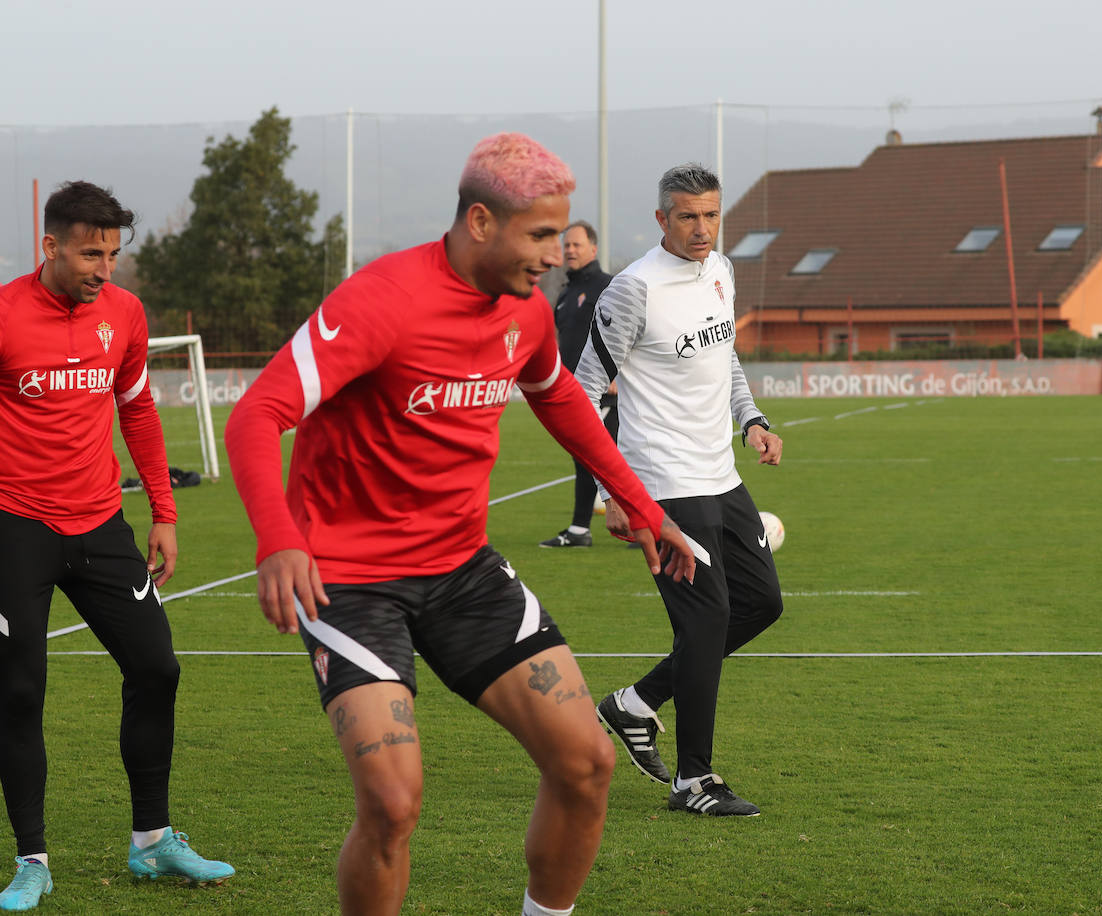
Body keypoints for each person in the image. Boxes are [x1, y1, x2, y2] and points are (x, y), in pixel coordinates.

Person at [224, 133, 695, 916]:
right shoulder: (382, 300)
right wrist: (278, 538)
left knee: (584, 764)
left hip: (461, 569)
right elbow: (256, 415)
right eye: (540, 234)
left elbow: (560, 398)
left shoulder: (524, 310)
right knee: (392, 802)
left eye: (560, 233)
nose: (556, 252)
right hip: (347, 580)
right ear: (481, 221)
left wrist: (640, 505)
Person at [0, 182, 234, 912]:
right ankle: (32, 859)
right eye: (89, 252)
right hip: (17, 527)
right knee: (18, 689)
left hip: (103, 525)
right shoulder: (4, 315)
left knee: (157, 667)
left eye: (112, 253)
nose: (104, 267)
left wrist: (163, 512)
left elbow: (136, 410)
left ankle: (152, 841)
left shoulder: (125, 315)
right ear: (50, 246)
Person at [576, 164, 785, 817]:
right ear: (662, 219)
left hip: (720, 474)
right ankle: (694, 782)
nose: (702, 229)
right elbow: (581, 395)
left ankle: (633, 705)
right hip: (662, 482)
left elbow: (724, 356)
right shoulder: (632, 290)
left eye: (711, 216)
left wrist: (751, 419)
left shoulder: (720, 270)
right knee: (707, 618)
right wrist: (616, 495)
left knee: (761, 603)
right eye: (688, 216)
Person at [539, 221, 616, 548]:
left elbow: (630, 334)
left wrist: (618, 375)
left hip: (604, 392)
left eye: (576, 245)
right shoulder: (566, 293)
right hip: (573, 393)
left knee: (616, 458)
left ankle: (647, 524)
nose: (569, 250)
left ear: (593, 249)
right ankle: (580, 530)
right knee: (585, 459)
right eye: (566, 245)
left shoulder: (608, 286)